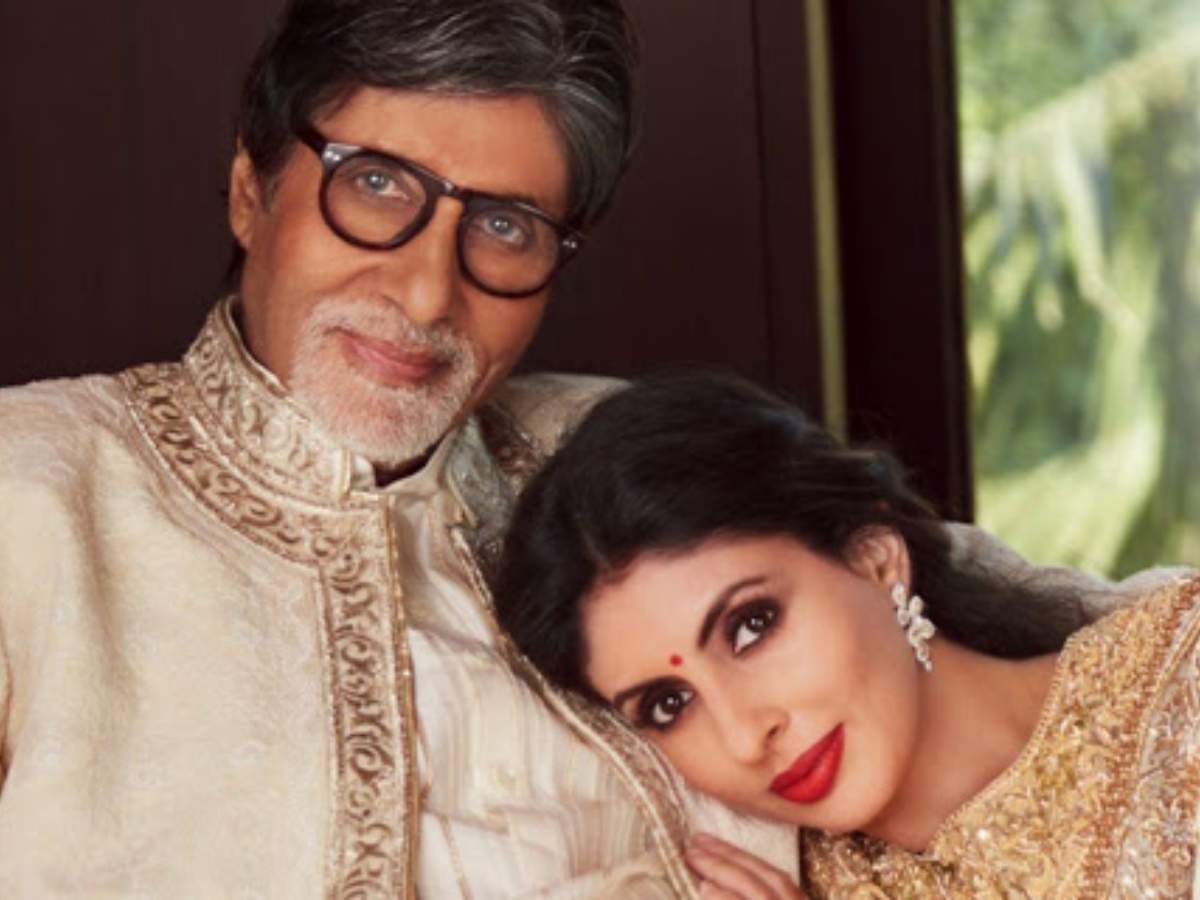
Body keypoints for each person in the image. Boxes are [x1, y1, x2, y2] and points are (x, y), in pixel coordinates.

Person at [0, 2, 800, 895]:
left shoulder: (632, 461)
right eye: (376, 184)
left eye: (506, 226)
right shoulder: (28, 489)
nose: (425, 297)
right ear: (251, 191)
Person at [497, 371, 1200, 899]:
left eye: (751, 626)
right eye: (669, 704)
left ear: (875, 559)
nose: (745, 735)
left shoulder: (1183, 678)